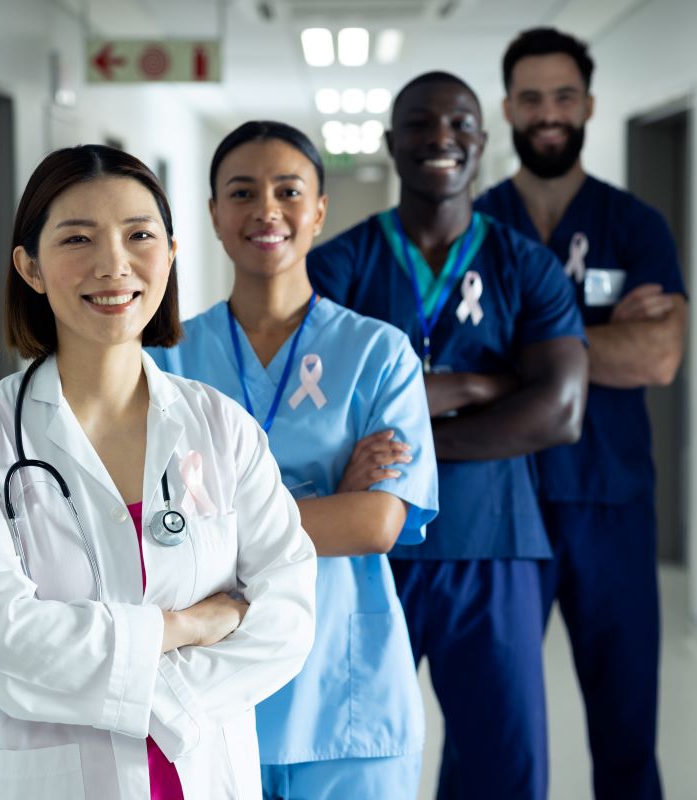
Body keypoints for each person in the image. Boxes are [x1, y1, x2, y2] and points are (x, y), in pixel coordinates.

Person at [0, 144, 317, 800]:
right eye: (78, 238)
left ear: (169, 252)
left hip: (201, 772)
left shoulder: (223, 428)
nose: (113, 264)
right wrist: (184, 627)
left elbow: (288, 615)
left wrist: (163, 700)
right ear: (31, 267)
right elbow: (3, 647)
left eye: (139, 235)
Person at [307, 72, 589, 800]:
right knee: (354, 758)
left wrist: (399, 428)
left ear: (482, 141)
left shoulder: (525, 266)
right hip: (367, 554)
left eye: (460, 123)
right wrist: (481, 384)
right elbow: (326, 411)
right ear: (390, 142)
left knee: (505, 770)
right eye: (421, 123)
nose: (442, 137)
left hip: (492, 548)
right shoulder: (337, 266)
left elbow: (559, 410)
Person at [151, 120, 438, 800]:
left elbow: (376, 524)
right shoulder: (167, 361)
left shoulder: (379, 353)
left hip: (345, 690)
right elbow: (153, 530)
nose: (266, 210)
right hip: (208, 689)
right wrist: (330, 500)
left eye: (288, 190)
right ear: (215, 213)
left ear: (319, 211)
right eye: (242, 193)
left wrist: (222, 519)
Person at [474, 28, 689, 800]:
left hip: (612, 507)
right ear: (507, 109)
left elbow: (659, 357)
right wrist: (604, 340)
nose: (548, 112)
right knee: (488, 734)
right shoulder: (474, 229)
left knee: (628, 732)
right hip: (500, 512)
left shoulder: (637, 227)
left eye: (564, 96)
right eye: (531, 98)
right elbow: (446, 368)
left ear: (589, 105)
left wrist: (517, 350)